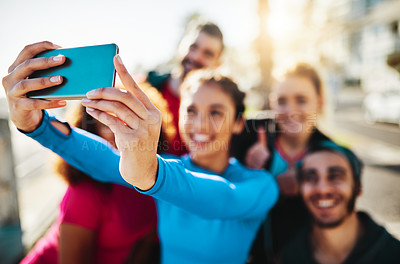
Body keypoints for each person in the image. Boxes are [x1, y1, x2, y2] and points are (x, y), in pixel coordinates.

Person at [3, 41, 279, 264]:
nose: (200, 124)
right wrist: (37, 125)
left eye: (216, 112)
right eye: (191, 111)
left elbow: (223, 198)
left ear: (239, 122)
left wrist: (150, 171)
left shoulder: (260, 185)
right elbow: (105, 158)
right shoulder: (164, 168)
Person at [19, 103, 158, 264]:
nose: (119, 130)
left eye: (126, 120)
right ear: (91, 132)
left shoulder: (157, 180)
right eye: (106, 123)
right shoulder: (85, 193)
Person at [231, 63, 334, 261]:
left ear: (319, 101)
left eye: (301, 100)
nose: (291, 110)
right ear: (272, 102)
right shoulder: (249, 133)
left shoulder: (331, 152)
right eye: (282, 101)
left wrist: (307, 178)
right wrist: (246, 170)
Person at [279, 143, 400, 264]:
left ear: (357, 188)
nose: (323, 189)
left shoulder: (393, 255)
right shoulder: (289, 256)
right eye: (310, 177)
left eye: (335, 176)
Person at [146, 22, 224, 155]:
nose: (196, 57)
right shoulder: (147, 88)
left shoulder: (220, 107)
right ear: (181, 45)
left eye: (208, 54)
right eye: (193, 47)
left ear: (217, 64)